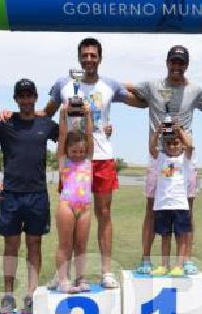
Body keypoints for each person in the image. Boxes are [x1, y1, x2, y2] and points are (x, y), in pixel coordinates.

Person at [37, 37, 148, 289]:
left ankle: (106, 272)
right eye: (84, 55)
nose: (89, 59)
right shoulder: (63, 84)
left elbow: (142, 103)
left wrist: (127, 84)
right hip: (73, 161)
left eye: (93, 55)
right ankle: (62, 273)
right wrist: (12, 115)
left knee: (104, 214)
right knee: (69, 217)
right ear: (79, 58)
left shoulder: (109, 85)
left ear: (100, 58)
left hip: (102, 157)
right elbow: (46, 113)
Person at [127, 45, 202, 273]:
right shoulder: (151, 86)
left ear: (186, 65)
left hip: (184, 159)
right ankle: (146, 259)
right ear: (167, 62)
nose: (176, 67)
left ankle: (185, 260)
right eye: (173, 62)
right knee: (151, 210)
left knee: (186, 211)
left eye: (181, 63)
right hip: (158, 157)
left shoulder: (195, 90)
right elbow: (125, 89)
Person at [0, 78, 58, 314]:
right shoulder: (6, 122)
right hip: (11, 195)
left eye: (29, 96)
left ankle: (32, 295)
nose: (25, 100)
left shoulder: (46, 124)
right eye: (21, 96)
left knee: (35, 245)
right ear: (15, 99)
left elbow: (72, 136)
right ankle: (8, 297)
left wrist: (86, 118)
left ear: (35, 97)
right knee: (11, 246)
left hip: (37, 194)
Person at [53, 105, 94, 293]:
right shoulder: (63, 161)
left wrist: (88, 115)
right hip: (66, 205)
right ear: (67, 151)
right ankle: (63, 280)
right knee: (65, 244)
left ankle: (80, 279)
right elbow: (62, 137)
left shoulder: (88, 160)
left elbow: (90, 136)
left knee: (81, 245)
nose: (78, 155)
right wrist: (62, 115)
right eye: (74, 151)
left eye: (81, 151)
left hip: (85, 206)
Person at [149, 124, 197, 276]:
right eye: (169, 143)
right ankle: (164, 265)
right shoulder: (161, 158)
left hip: (180, 204)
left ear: (181, 144)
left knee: (181, 236)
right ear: (165, 145)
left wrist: (180, 131)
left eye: (176, 143)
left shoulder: (185, 158)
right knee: (165, 236)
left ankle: (179, 266)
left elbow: (190, 146)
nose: (173, 146)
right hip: (162, 204)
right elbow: (152, 149)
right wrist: (157, 132)